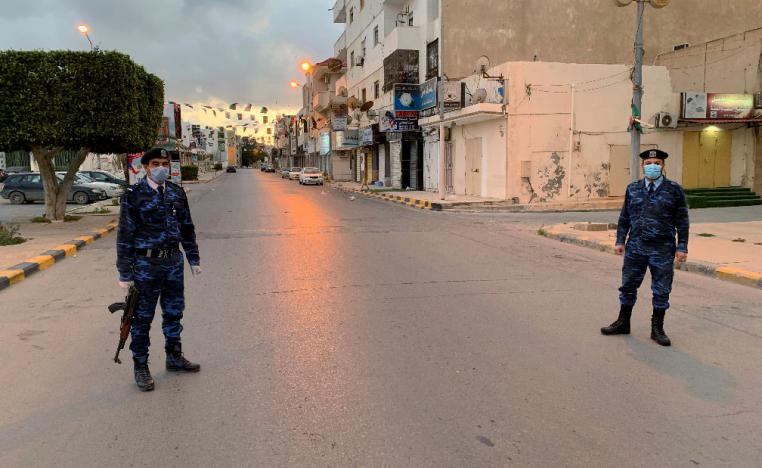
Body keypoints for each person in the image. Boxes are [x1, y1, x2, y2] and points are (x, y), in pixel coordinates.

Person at [116, 148, 202, 391]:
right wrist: (125, 272)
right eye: (156, 163)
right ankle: (141, 366)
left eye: (165, 163)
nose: (161, 167)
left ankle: (174, 356)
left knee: (174, 312)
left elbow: (187, 228)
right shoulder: (133, 195)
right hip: (146, 266)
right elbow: (125, 235)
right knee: (142, 318)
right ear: (145, 166)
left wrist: (193, 259)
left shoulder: (176, 192)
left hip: (173, 262)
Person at [601, 149, 689, 346]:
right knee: (628, 285)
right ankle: (623, 322)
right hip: (636, 247)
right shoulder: (633, 188)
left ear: (663, 166)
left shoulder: (674, 190)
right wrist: (619, 241)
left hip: (662, 248)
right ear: (642, 166)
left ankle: (657, 328)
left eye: (657, 163)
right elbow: (624, 217)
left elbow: (682, 220)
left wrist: (682, 246)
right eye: (649, 162)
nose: (653, 166)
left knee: (661, 289)